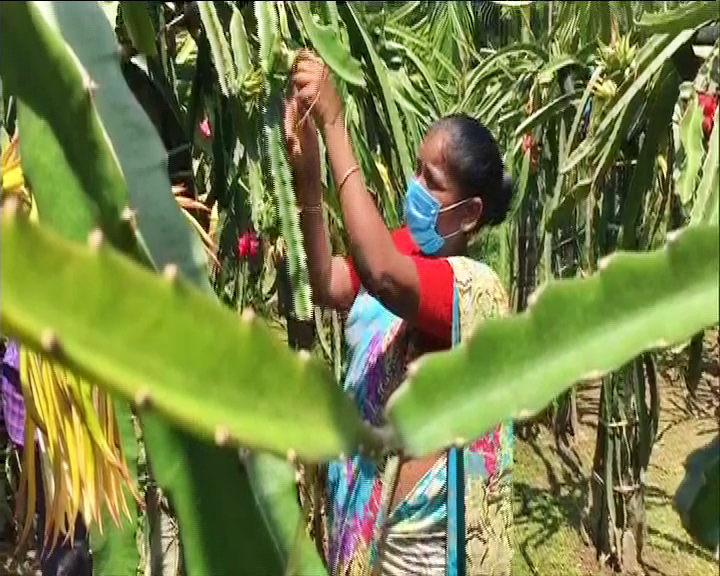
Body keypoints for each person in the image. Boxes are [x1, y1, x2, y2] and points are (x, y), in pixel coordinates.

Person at [283, 50, 515, 576]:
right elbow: (330, 281)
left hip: (419, 550)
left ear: (470, 212)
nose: (414, 185)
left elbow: (380, 273)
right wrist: (308, 170)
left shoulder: (470, 288)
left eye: (430, 180)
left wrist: (336, 124)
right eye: (416, 168)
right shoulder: (405, 247)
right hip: (370, 529)